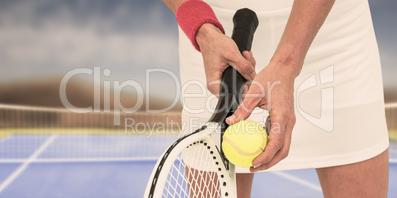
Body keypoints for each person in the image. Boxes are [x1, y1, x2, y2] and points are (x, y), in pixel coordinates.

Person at [162, 0, 389, 197]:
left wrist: (287, 63)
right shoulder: (206, 34)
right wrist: (200, 25)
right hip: (214, 38)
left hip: (332, 27)